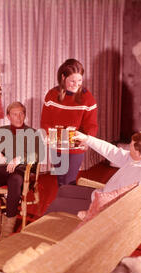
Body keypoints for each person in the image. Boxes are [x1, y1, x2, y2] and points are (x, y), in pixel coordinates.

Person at [45, 130, 141, 215]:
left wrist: (90, 212)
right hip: (100, 195)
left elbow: (127, 205)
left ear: (138, 153)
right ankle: (65, 224)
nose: (129, 148)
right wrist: (87, 139)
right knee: (64, 189)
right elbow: (111, 151)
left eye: (131, 146)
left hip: (102, 207)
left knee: (56, 204)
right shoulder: (138, 160)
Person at [0, 101, 41, 242]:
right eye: (14, 114)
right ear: (8, 116)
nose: (19, 117)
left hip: (22, 170)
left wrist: (19, 159)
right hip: (3, 169)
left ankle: (8, 223)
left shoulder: (32, 133)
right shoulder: (1, 131)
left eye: (21, 113)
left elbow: (36, 155)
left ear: (24, 115)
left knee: (15, 180)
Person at [41, 58, 98, 186]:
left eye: (79, 80)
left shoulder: (88, 98)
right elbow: (45, 121)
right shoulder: (51, 95)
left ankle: (69, 206)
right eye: (72, 80)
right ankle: (65, 205)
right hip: (56, 144)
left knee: (69, 181)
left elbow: (91, 125)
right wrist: (48, 136)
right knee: (61, 181)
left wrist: (87, 139)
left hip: (76, 146)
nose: (76, 84)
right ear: (63, 77)